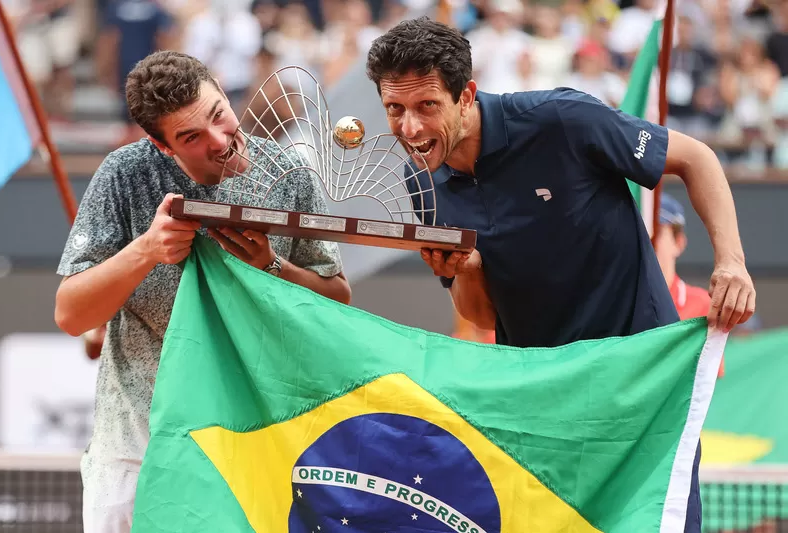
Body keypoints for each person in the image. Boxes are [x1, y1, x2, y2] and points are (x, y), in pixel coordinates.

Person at [365, 16, 756, 533]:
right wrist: (470, 270)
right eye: (394, 109)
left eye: (426, 106)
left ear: (466, 95)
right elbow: (478, 312)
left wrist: (731, 260)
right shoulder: (421, 182)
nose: (409, 128)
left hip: (638, 385)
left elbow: (697, 158)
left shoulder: (561, 118)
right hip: (540, 404)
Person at [53, 50, 351, 533]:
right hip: (135, 446)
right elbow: (70, 314)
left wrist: (271, 266)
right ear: (162, 145)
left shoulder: (290, 172)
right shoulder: (123, 174)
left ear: (220, 86)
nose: (219, 141)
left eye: (218, 115)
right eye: (191, 137)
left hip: (252, 434)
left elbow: (336, 298)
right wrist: (146, 250)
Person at [654, 192, 723, 376]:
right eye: (642, 231)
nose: (647, 240)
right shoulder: (618, 303)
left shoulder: (703, 306)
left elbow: (704, 384)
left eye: (656, 231)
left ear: (679, 243)